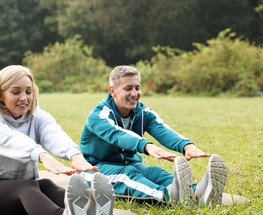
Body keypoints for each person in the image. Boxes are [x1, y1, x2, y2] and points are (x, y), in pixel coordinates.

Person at [0, 65, 114, 215]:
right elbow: (10, 139)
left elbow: (52, 132)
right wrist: (41, 155)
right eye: (16, 92)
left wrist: (73, 155)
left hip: (17, 193)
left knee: (45, 185)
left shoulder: (36, 115)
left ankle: (90, 208)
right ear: (0, 95)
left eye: (28, 92)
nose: (24, 98)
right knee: (27, 186)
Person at [79, 65, 227, 205]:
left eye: (137, 88)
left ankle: (198, 192)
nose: (135, 93)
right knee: (127, 175)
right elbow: (117, 135)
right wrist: (146, 146)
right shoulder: (99, 115)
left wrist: (187, 146)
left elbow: (162, 129)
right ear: (112, 90)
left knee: (155, 173)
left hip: (130, 163)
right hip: (95, 169)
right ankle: (170, 196)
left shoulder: (143, 112)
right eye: (128, 88)